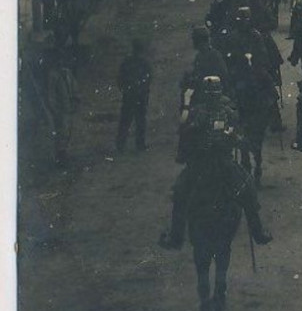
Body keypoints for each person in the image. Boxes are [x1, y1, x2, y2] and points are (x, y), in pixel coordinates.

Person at [160, 77, 272, 249]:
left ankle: (257, 232)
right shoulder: (197, 113)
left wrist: (233, 138)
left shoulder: (228, 113)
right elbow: (185, 135)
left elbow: (239, 136)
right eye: (210, 93)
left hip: (223, 162)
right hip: (202, 163)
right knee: (180, 191)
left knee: (247, 187)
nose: (213, 96)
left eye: (216, 93)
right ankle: (176, 237)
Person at [115, 38, 152, 152]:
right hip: (140, 95)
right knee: (139, 121)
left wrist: (124, 89)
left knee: (126, 120)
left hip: (129, 95)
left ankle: (120, 144)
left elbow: (120, 78)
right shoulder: (144, 63)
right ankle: (139, 144)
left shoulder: (127, 62)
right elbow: (149, 79)